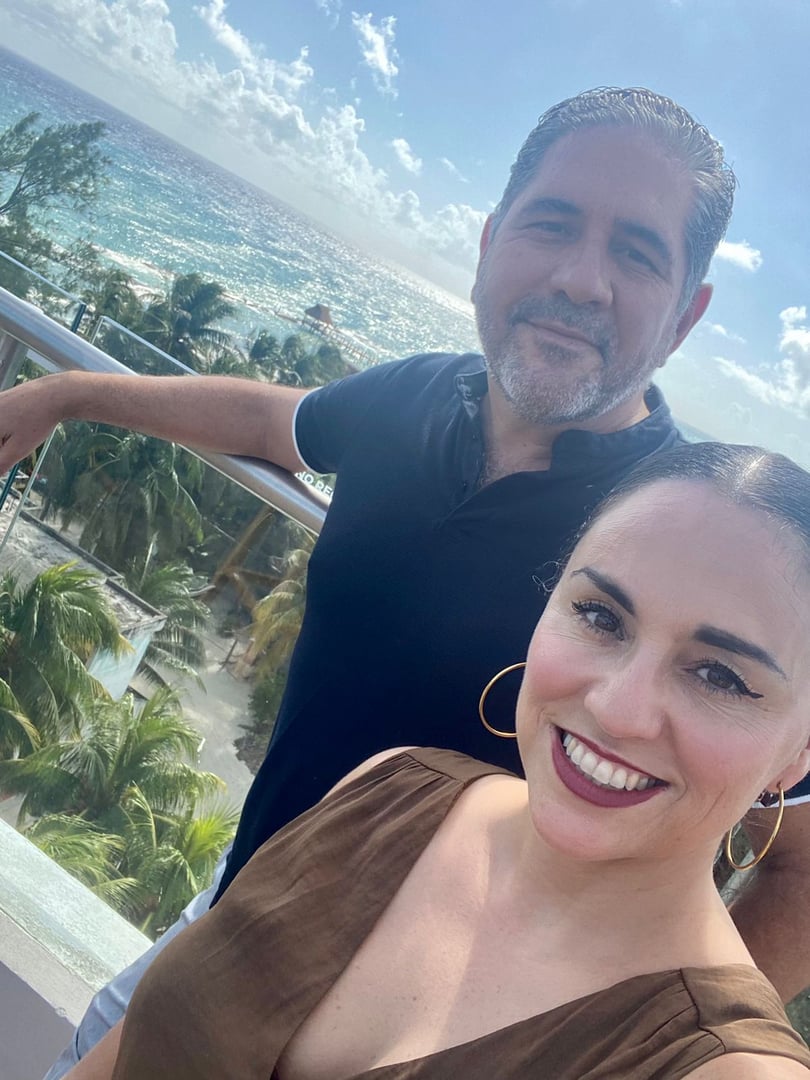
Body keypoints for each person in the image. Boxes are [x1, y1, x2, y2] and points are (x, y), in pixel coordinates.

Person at [0, 87, 807, 1075]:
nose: (581, 279)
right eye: (552, 223)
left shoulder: (668, 537)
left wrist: (617, 1044)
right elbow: (269, 422)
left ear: (686, 314)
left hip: (446, 1015)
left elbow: (797, 867)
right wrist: (69, 393)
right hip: (242, 911)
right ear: (489, 242)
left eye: (637, 254)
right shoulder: (417, 395)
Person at [64, 442, 810, 1079]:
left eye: (721, 677)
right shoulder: (387, 791)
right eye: (599, 616)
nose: (618, 708)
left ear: (798, 756)